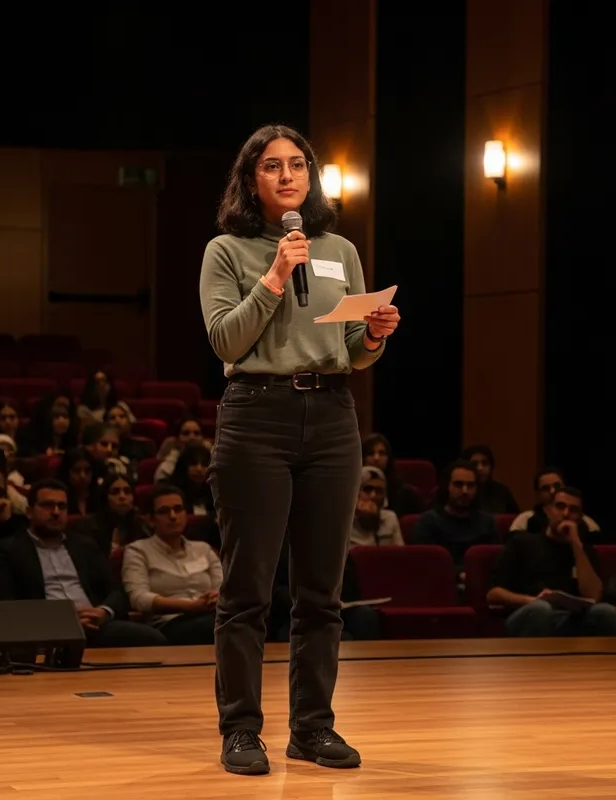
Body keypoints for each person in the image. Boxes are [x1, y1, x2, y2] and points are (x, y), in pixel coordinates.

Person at [199, 124, 401, 776]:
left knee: (321, 592)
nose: (287, 176)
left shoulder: (339, 248)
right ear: (250, 180)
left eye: (297, 165)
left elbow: (350, 352)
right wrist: (276, 275)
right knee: (249, 590)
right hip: (256, 415)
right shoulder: (226, 250)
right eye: (272, 167)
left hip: (334, 414)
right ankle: (240, 731)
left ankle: (312, 729)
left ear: (310, 178)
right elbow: (228, 343)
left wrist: (373, 336)